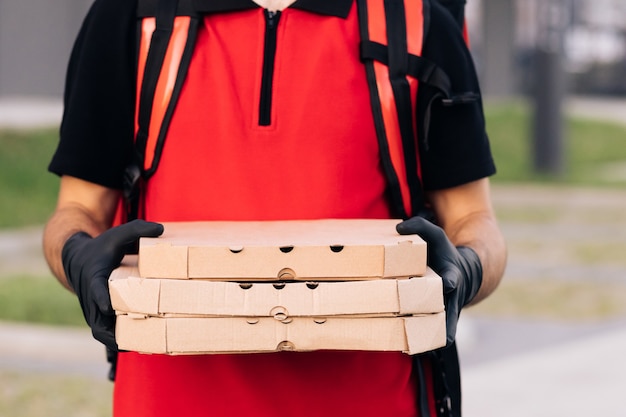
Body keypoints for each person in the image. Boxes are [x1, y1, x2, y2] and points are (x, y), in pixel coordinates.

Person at [43, 0, 507, 416]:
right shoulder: (134, 16)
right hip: (167, 400)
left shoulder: (416, 21)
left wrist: (465, 269)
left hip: (375, 398)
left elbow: (474, 221)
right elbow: (78, 209)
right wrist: (75, 254)